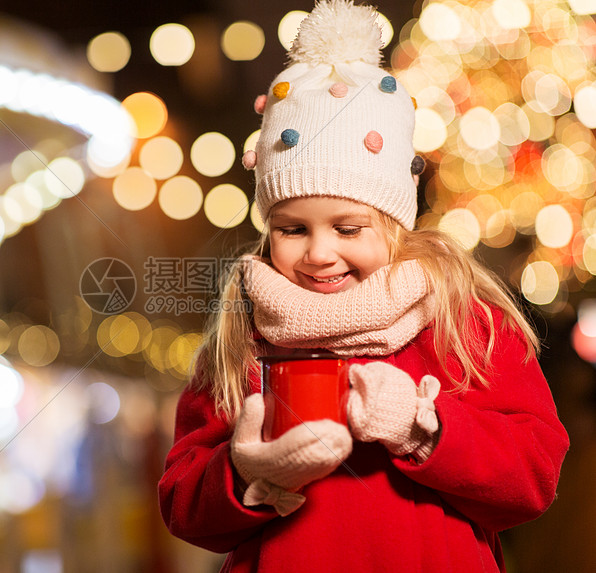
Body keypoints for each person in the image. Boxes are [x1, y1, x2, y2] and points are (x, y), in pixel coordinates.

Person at [157, 1, 569, 571]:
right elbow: (181, 500)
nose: (319, 253)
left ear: (395, 224)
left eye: (348, 228)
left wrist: (423, 429)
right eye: (292, 229)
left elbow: (533, 475)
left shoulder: (459, 320)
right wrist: (244, 470)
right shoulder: (242, 338)